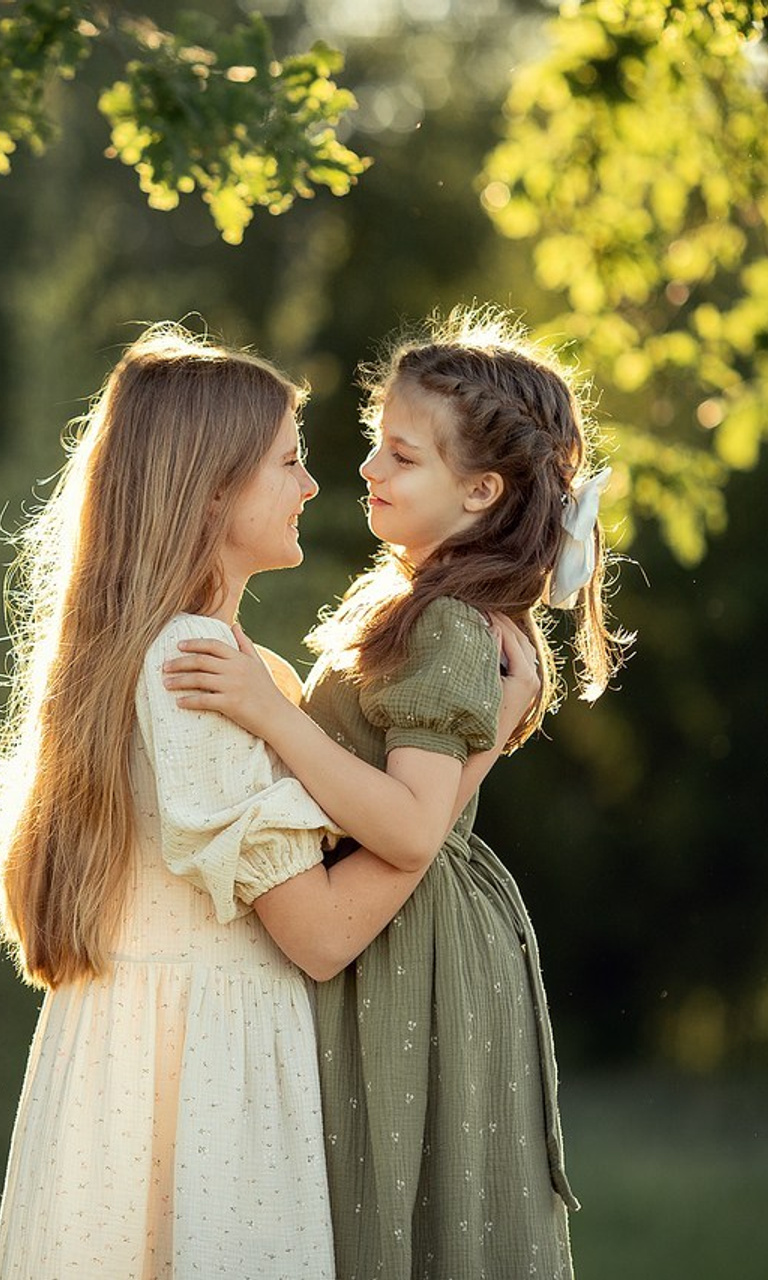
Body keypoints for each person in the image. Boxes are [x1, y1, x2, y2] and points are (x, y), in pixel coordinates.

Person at [0, 323, 538, 1279]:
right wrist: (477, 755)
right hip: (204, 1086)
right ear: (210, 488)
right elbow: (319, 936)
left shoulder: (239, 672)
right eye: (288, 462)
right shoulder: (200, 675)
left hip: (164, 1066)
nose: (316, 485)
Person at [163, 308, 627, 1279]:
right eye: (377, 444)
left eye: (400, 455)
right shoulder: (428, 609)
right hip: (404, 927)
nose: (367, 468)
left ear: (478, 489)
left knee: (396, 1204)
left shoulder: (449, 623)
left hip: (406, 945)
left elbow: (412, 823)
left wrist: (268, 711)